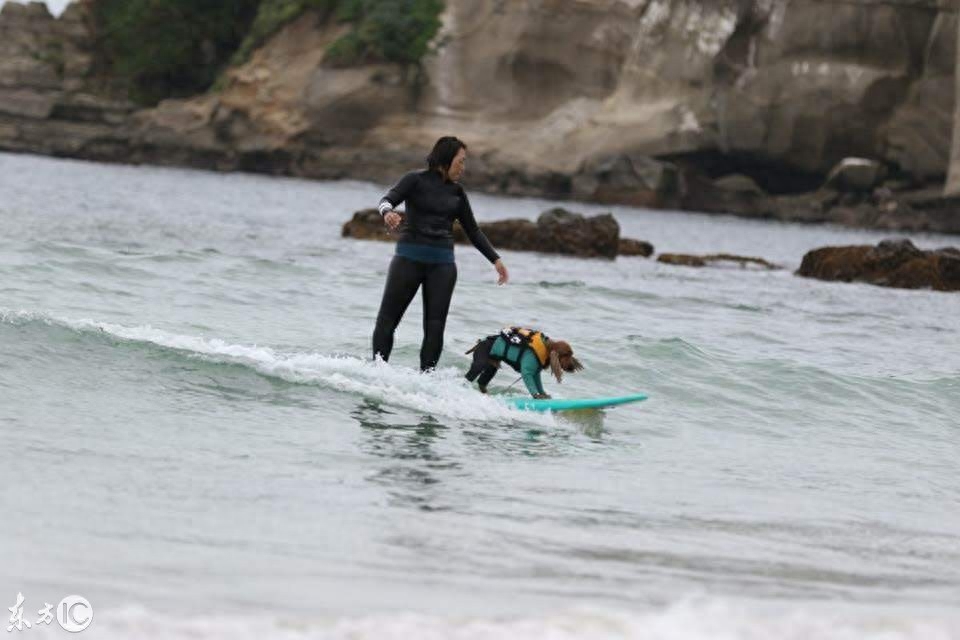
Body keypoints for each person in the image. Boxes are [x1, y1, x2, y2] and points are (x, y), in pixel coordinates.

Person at [373, 136, 509, 371]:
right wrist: (388, 213)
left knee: (435, 327)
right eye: (461, 161)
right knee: (388, 320)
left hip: (442, 266)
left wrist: (495, 259)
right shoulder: (414, 180)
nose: (463, 167)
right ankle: (378, 370)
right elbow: (386, 200)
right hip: (408, 259)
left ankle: (428, 380)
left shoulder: (457, 192)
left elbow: (472, 230)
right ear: (446, 159)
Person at [464, 327, 583, 398]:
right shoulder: (535, 352)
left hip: (495, 353)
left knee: (484, 382)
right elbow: (527, 374)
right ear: (555, 355)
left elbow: (535, 374)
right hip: (486, 347)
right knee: (478, 367)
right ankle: (461, 388)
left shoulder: (543, 352)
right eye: (565, 357)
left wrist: (542, 393)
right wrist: (535, 395)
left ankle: (482, 396)